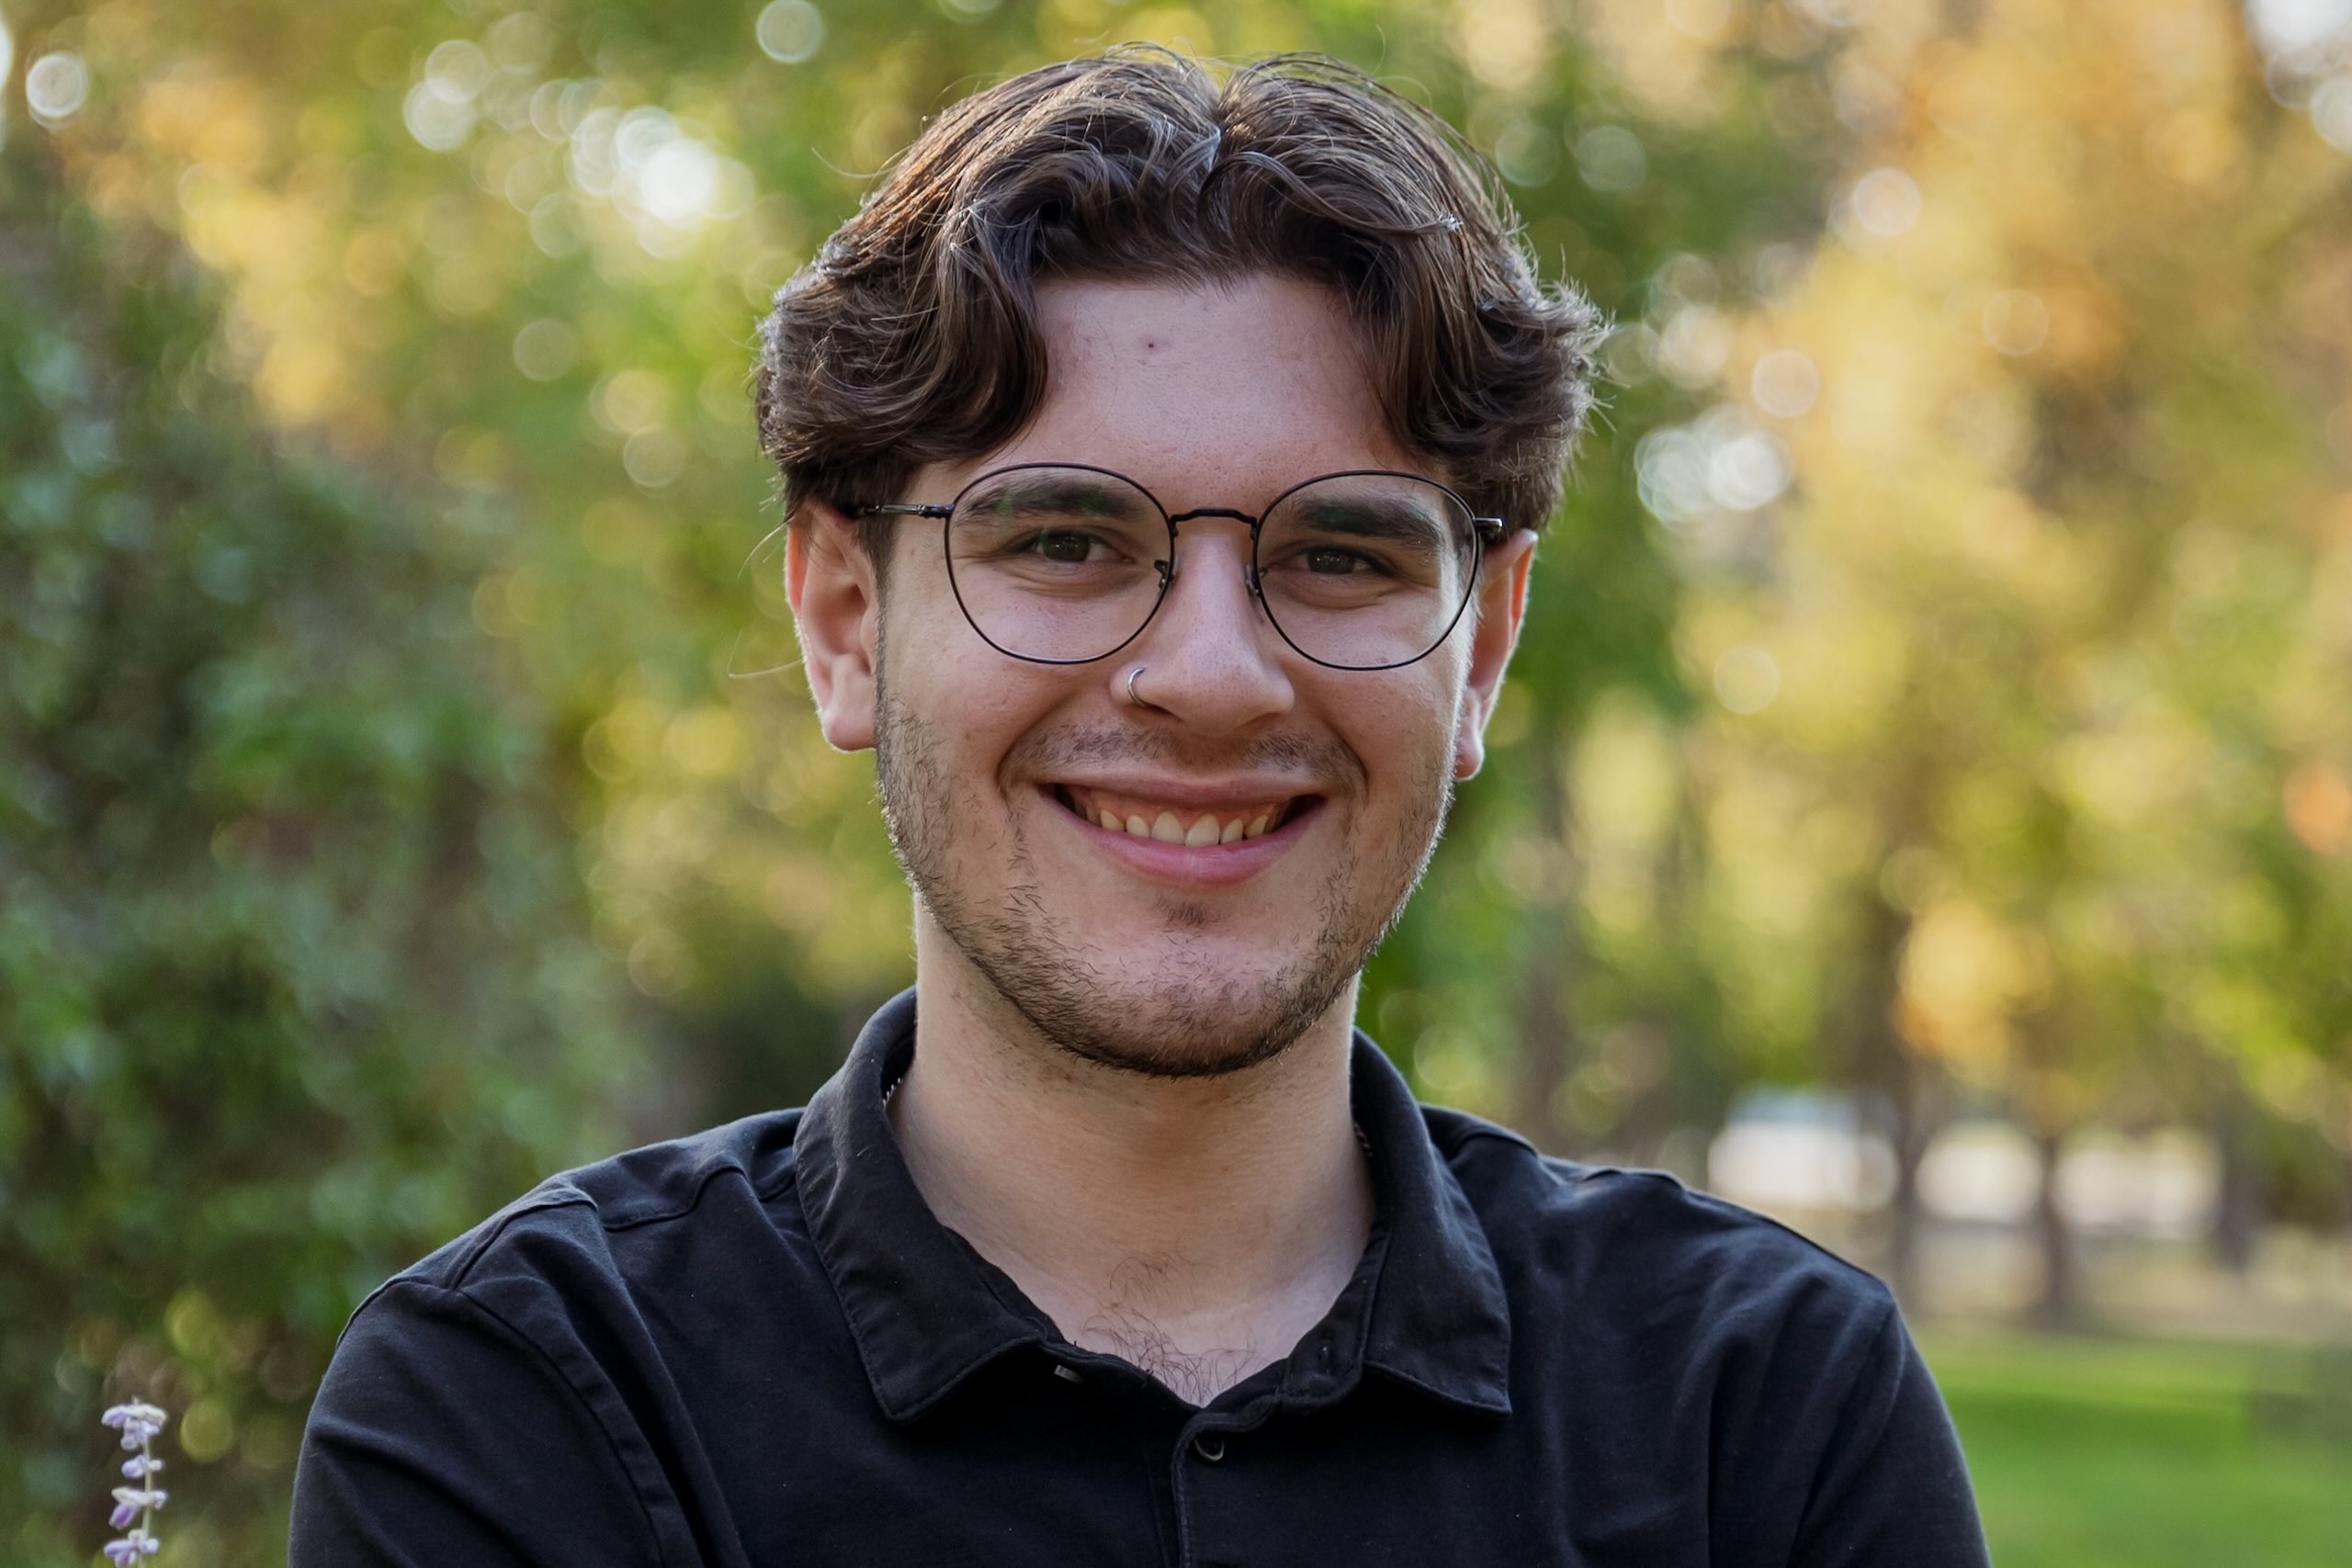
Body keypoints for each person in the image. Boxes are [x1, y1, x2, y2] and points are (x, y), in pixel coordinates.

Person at [291, 49, 1989, 1566]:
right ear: (842, 618)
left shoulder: (1764, 1421)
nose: (1211, 676)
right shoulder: (533, 1407)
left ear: (1481, 652)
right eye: (1063, 540)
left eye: (1339, 552)